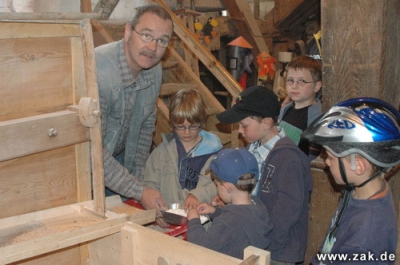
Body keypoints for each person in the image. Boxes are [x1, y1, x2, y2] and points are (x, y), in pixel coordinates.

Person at [216, 86, 312, 264]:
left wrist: (262, 244)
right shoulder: (252, 149)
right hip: (256, 242)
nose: (239, 131)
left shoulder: (289, 159)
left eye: (244, 125)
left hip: (277, 252)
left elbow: (288, 212)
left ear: (267, 123)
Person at [302, 97, 400, 264]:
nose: (326, 162)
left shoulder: (363, 243)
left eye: (331, 157)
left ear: (359, 166)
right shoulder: (357, 191)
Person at [94, 4, 173, 210]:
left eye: (162, 41)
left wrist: (139, 185)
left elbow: (146, 127)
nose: (153, 48)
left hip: (118, 157)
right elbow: (92, 152)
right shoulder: (98, 73)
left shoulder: (154, 70)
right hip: (88, 165)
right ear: (128, 31)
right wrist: (139, 191)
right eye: (147, 35)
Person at [143, 88, 222, 227]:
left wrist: (198, 194)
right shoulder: (161, 153)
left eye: (192, 127)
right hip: (167, 222)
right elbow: (150, 184)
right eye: (180, 127)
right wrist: (156, 210)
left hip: (201, 225)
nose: (186, 132)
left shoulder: (213, 154)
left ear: (202, 122)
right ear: (172, 124)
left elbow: (218, 186)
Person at [187, 147, 272, 259]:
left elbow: (201, 246)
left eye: (217, 185)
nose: (217, 189)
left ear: (227, 187)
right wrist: (215, 212)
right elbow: (239, 222)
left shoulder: (227, 222)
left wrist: (194, 221)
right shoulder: (258, 206)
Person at [278, 55, 322, 159]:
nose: (294, 86)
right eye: (290, 80)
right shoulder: (285, 110)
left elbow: (313, 156)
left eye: (302, 81)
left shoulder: (317, 119)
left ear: (316, 86)